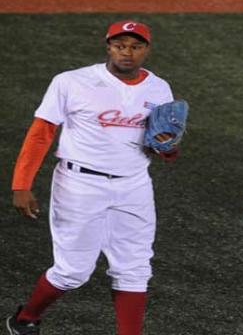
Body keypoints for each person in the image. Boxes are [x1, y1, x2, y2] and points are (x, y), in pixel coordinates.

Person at [6, 21, 178, 335]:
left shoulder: (159, 88)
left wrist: (168, 147)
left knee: (135, 270)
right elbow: (41, 134)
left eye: (136, 46)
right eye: (120, 45)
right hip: (79, 185)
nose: (127, 52)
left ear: (147, 50)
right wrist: (21, 185)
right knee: (72, 273)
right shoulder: (72, 82)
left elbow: (163, 146)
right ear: (108, 46)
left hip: (135, 185)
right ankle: (25, 318)